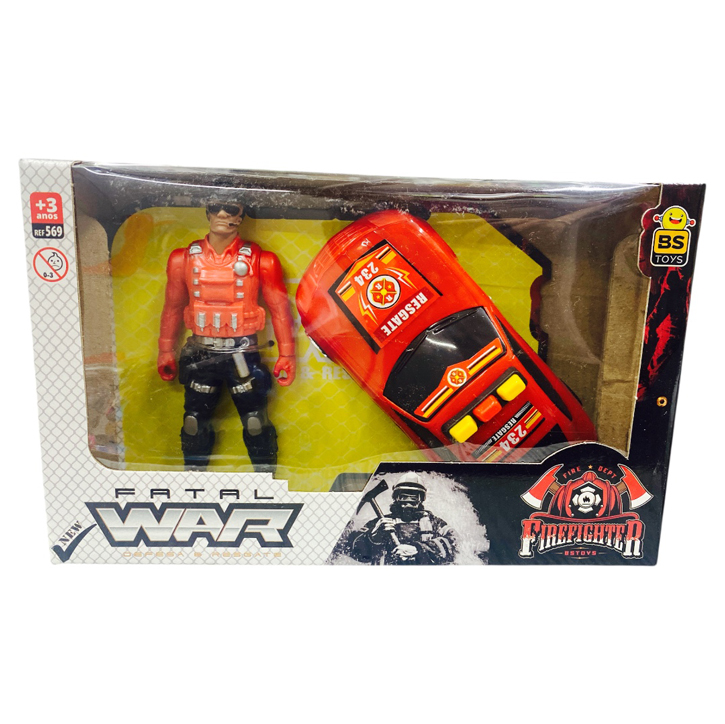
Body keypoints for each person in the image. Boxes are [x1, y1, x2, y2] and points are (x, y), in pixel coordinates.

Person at [157, 199, 295, 472]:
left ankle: (265, 481)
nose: (222, 213)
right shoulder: (182, 259)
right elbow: (172, 306)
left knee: (255, 422)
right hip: (200, 355)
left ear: (242, 215)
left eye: (231, 208)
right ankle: (193, 483)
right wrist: (165, 350)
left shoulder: (262, 260)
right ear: (207, 211)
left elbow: (280, 310)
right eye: (216, 206)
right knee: (193, 423)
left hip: (242, 355)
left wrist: (287, 354)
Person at [349, 473, 458, 564]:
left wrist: (418, 549)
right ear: (396, 498)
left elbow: (455, 542)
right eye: (403, 497)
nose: (408, 503)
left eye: (414, 498)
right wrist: (373, 537)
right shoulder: (379, 524)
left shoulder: (434, 523)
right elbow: (353, 550)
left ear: (421, 500)